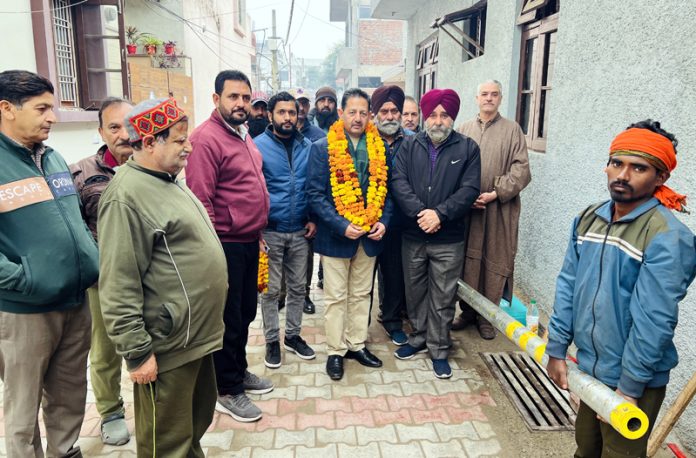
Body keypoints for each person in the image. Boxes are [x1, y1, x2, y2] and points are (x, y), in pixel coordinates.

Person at [546, 120, 695, 458]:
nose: (622, 175)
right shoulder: (589, 219)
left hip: (635, 378)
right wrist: (556, 349)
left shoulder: (668, 237)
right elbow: (568, 285)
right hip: (590, 367)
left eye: (638, 167)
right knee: (586, 448)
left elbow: (654, 320)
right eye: (617, 163)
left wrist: (629, 389)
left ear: (661, 178)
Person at [98, 98, 227, 457]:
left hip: (195, 339)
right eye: (179, 139)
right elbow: (118, 283)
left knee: (191, 430)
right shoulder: (126, 196)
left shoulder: (166, 180)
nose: (189, 146)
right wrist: (137, 353)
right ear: (150, 142)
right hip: (168, 346)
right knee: (166, 444)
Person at [0, 70, 99, 457]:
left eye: (53, 107)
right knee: (22, 404)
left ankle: (64, 451)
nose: (52, 117)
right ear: (6, 109)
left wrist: (87, 255)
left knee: (69, 391)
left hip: (75, 302)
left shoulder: (54, 157)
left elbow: (72, 220)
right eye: (42, 108)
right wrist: (24, 279)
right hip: (26, 310)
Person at [187, 70, 273, 423]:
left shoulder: (243, 134)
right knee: (228, 320)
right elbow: (200, 200)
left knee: (245, 313)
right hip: (224, 244)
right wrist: (214, 250)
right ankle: (227, 389)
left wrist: (258, 231)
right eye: (233, 97)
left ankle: (238, 372)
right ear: (216, 99)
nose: (241, 104)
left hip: (249, 240)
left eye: (245, 97)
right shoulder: (206, 139)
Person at [391, 88, 481, 379]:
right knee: (415, 291)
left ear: (452, 117)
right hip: (414, 234)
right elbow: (398, 181)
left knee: (443, 296)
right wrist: (421, 213)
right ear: (425, 117)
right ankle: (418, 337)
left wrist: (440, 214)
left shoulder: (468, 148)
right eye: (432, 115)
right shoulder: (409, 145)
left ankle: (439, 348)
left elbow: (469, 190)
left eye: (444, 115)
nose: (438, 121)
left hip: (448, 237)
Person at [307, 87, 392, 381]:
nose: (357, 118)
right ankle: (335, 351)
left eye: (362, 113)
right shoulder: (322, 148)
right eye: (351, 112)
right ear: (341, 113)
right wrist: (341, 225)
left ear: (370, 115)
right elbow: (315, 195)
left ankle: (357, 344)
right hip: (336, 237)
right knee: (335, 297)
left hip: (370, 236)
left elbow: (388, 192)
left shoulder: (378, 146)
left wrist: (384, 222)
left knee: (362, 294)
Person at [69, 97, 134, 446]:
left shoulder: (155, 165)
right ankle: (110, 411)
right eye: (114, 127)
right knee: (105, 350)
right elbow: (75, 229)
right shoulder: (81, 173)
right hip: (102, 280)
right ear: (101, 131)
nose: (124, 134)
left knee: (149, 343)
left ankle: (152, 398)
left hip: (147, 276)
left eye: (129, 124)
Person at [453, 80, 532, 339]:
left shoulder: (513, 131)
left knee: (494, 259)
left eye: (494, 94)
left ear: (500, 99)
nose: (489, 98)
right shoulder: (463, 129)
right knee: (466, 259)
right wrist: (465, 196)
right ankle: (467, 310)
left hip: (498, 211)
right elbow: (452, 166)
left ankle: (488, 316)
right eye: (484, 94)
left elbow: (521, 170)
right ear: (476, 98)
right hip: (468, 212)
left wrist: (496, 193)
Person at [255, 91, 317, 368]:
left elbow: (314, 186)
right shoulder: (256, 147)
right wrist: (256, 231)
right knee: (268, 291)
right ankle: (271, 340)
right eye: (282, 112)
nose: (288, 117)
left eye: (292, 112)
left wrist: (313, 217)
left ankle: (292, 336)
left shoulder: (308, 146)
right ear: (271, 115)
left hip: (301, 231)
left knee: (298, 288)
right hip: (270, 231)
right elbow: (252, 192)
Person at [370, 85, 413, 346]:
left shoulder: (413, 140)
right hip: (368, 220)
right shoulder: (364, 138)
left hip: (401, 221)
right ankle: (356, 330)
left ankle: (392, 321)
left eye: (394, 111)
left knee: (394, 273)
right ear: (375, 113)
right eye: (383, 111)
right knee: (364, 278)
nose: (389, 116)